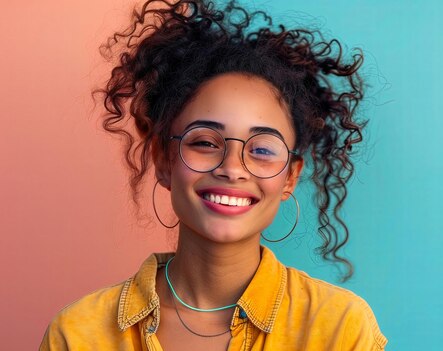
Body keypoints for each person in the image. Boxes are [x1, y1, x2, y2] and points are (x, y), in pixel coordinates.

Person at [40, 0, 387, 350]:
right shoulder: (79, 333)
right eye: (205, 142)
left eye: (263, 149)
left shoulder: (340, 328)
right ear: (163, 159)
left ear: (290, 178)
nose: (232, 168)